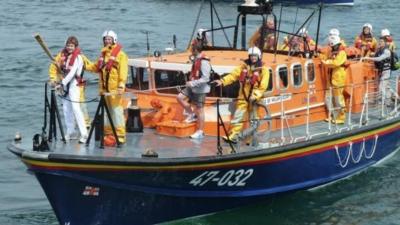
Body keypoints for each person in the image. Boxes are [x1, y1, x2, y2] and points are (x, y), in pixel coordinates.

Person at [213, 46, 270, 143]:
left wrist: (255, 95)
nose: (253, 58)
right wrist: (222, 81)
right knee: (238, 116)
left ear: (259, 56)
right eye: (251, 56)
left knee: (254, 119)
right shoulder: (243, 67)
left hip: (255, 99)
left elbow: (263, 86)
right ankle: (233, 136)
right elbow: (233, 75)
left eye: (255, 56)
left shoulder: (264, 70)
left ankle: (251, 138)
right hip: (243, 97)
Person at [86, 30, 128, 145]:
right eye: (105, 39)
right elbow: (96, 67)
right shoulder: (103, 54)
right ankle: (109, 134)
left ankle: (120, 135)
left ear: (114, 40)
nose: (107, 41)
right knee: (106, 113)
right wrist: (84, 63)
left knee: (116, 112)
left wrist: (121, 85)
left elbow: (123, 71)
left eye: (109, 39)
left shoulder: (121, 55)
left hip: (115, 90)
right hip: (104, 91)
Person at [48, 36, 88, 143]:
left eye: (71, 46)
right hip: (64, 84)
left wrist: (62, 83)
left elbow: (72, 73)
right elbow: (61, 69)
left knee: (76, 108)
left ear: (75, 46)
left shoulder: (78, 58)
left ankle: (84, 133)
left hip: (74, 84)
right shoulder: (64, 57)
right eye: (68, 45)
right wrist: (57, 78)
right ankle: (70, 131)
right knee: (66, 109)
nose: (69, 47)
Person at [177, 39, 211, 139]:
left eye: (192, 48)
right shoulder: (196, 59)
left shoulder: (204, 61)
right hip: (192, 87)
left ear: (196, 49)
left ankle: (200, 131)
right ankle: (192, 114)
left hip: (200, 89)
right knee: (179, 97)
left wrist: (192, 83)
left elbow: (206, 78)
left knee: (200, 109)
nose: (191, 49)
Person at [321, 35, 347, 124]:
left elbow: (336, 63)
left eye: (332, 46)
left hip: (338, 78)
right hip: (331, 78)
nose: (331, 47)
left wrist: (326, 62)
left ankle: (341, 117)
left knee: (338, 99)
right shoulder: (332, 52)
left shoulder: (342, 53)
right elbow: (326, 58)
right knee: (328, 98)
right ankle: (331, 115)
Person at [362, 36, 393, 106]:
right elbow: (376, 56)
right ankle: (388, 101)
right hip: (381, 71)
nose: (380, 42)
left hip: (386, 72)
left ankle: (382, 103)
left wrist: (368, 58)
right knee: (386, 87)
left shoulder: (387, 51)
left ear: (385, 43)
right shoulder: (379, 50)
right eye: (380, 41)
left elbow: (379, 59)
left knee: (381, 87)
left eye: (382, 41)